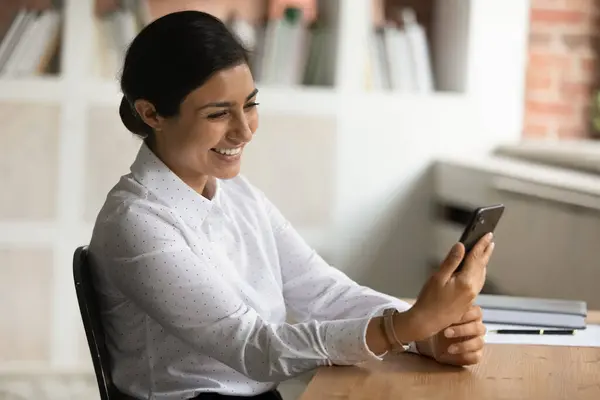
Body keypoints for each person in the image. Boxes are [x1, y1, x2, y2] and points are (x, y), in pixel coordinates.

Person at [88, 10, 494, 400]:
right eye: (218, 114)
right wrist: (403, 327)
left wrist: (428, 334)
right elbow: (256, 347)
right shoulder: (136, 223)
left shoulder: (238, 194)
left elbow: (324, 293)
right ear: (152, 113)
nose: (244, 130)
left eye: (250, 104)